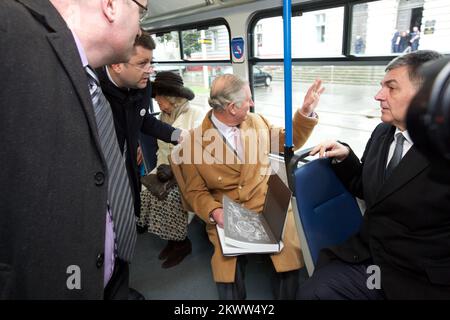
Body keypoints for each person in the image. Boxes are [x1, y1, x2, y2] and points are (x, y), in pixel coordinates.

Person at [0, 0, 147, 299]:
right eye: (142, 11)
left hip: (102, 275)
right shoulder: (9, 30)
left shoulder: (87, 78)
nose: (141, 26)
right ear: (111, 6)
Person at [298, 50, 450, 300]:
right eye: (381, 86)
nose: (378, 96)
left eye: (391, 88)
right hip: (373, 263)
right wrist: (346, 157)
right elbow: (371, 191)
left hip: (422, 279)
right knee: (312, 293)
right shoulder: (382, 133)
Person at [175, 74, 323, 299]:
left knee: (289, 253)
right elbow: (195, 192)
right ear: (232, 108)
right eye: (248, 100)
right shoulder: (193, 144)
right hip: (228, 209)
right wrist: (215, 212)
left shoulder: (256, 122)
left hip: (266, 202)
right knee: (227, 270)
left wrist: (304, 113)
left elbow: (288, 142)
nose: (252, 104)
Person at [96, 32, 180, 229]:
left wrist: (178, 135)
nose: (149, 70)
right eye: (142, 63)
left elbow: (143, 120)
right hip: (100, 176)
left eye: (151, 63)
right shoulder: (92, 91)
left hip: (129, 167)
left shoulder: (142, 86)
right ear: (117, 65)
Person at [137, 72, 205, 269]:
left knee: (170, 197)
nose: (159, 105)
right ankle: (172, 240)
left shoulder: (197, 115)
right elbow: (161, 150)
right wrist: (157, 171)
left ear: (173, 99)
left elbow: (197, 152)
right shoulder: (163, 117)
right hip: (164, 169)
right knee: (145, 192)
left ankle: (182, 243)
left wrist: (172, 170)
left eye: (161, 101)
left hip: (188, 172)